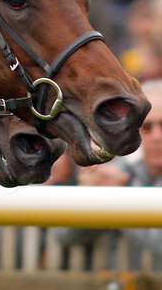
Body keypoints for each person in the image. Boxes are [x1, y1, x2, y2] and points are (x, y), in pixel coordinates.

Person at [53, 79, 162, 267]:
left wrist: (118, 199)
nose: (157, 137)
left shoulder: (118, 177)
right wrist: (90, 200)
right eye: (147, 127)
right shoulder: (117, 168)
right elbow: (64, 235)